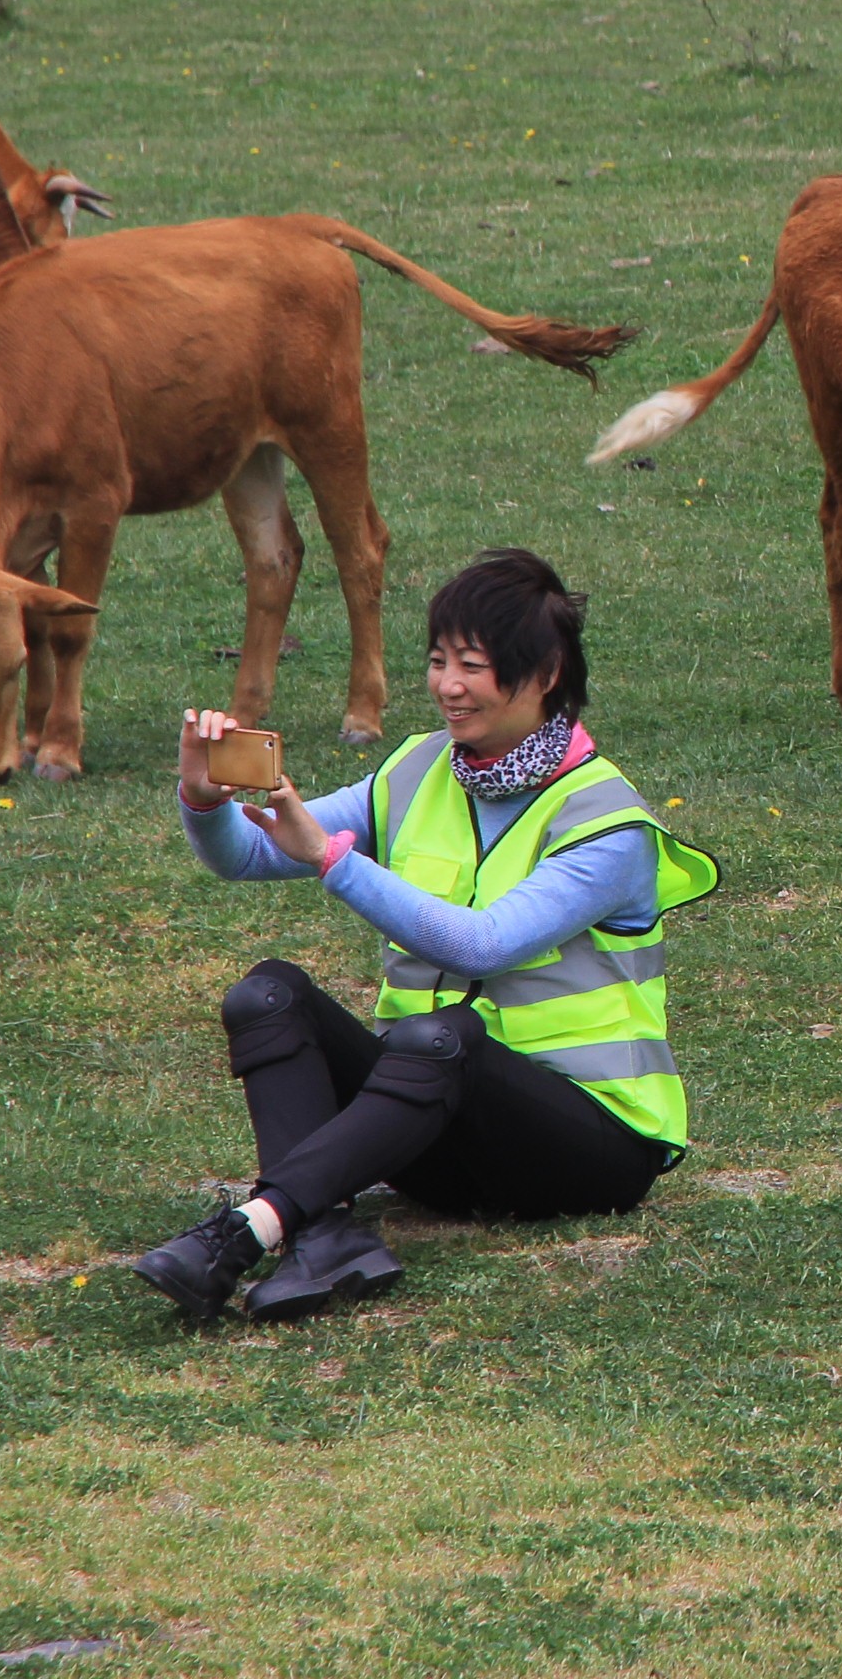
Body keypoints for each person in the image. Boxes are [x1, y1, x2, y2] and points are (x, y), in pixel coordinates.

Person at [133, 548, 717, 1323]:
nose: (447, 685)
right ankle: (324, 1235)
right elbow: (247, 854)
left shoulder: (610, 825)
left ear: (545, 675)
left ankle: (251, 1230)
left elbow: (484, 945)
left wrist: (334, 861)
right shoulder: (416, 770)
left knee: (445, 1036)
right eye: (439, 660)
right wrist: (204, 799)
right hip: (434, 1130)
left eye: (473, 665)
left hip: (590, 1148)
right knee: (269, 995)